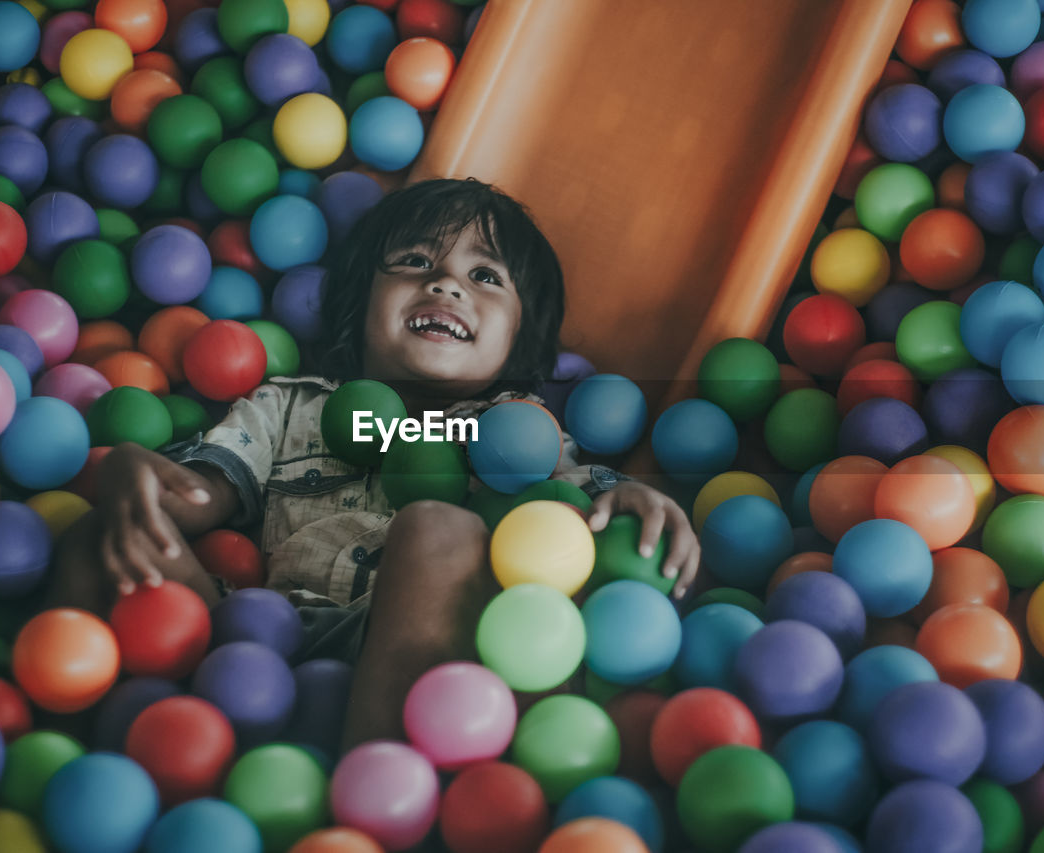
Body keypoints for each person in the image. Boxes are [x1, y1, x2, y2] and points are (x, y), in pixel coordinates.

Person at [48, 178, 700, 747]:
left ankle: (377, 803)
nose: (444, 282)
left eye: (486, 276)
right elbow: (196, 497)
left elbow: (574, 524)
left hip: (425, 663)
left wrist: (632, 501)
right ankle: (80, 773)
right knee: (96, 535)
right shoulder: (291, 403)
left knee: (436, 528)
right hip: (254, 650)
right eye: (415, 261)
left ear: (517, 341)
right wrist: (135, 477)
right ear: (362, 308)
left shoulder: (517, 430)